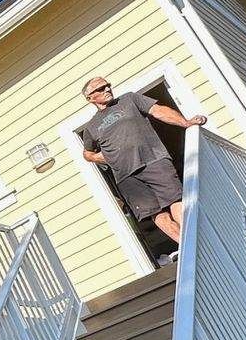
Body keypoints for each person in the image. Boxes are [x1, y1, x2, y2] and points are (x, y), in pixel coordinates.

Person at [77, 76, 206, 247]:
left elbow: (158, 110)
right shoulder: (91, 127)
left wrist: (186, 123)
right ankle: (188, 248)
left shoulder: (129, 99)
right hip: (126, 177)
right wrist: (106, 157)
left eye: (108, 85)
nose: (107, 89)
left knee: (175, 200)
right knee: (155, 214)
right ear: (90, 98)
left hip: (153, 161)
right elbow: (87, 153)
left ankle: (197, 243)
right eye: (100, 89)